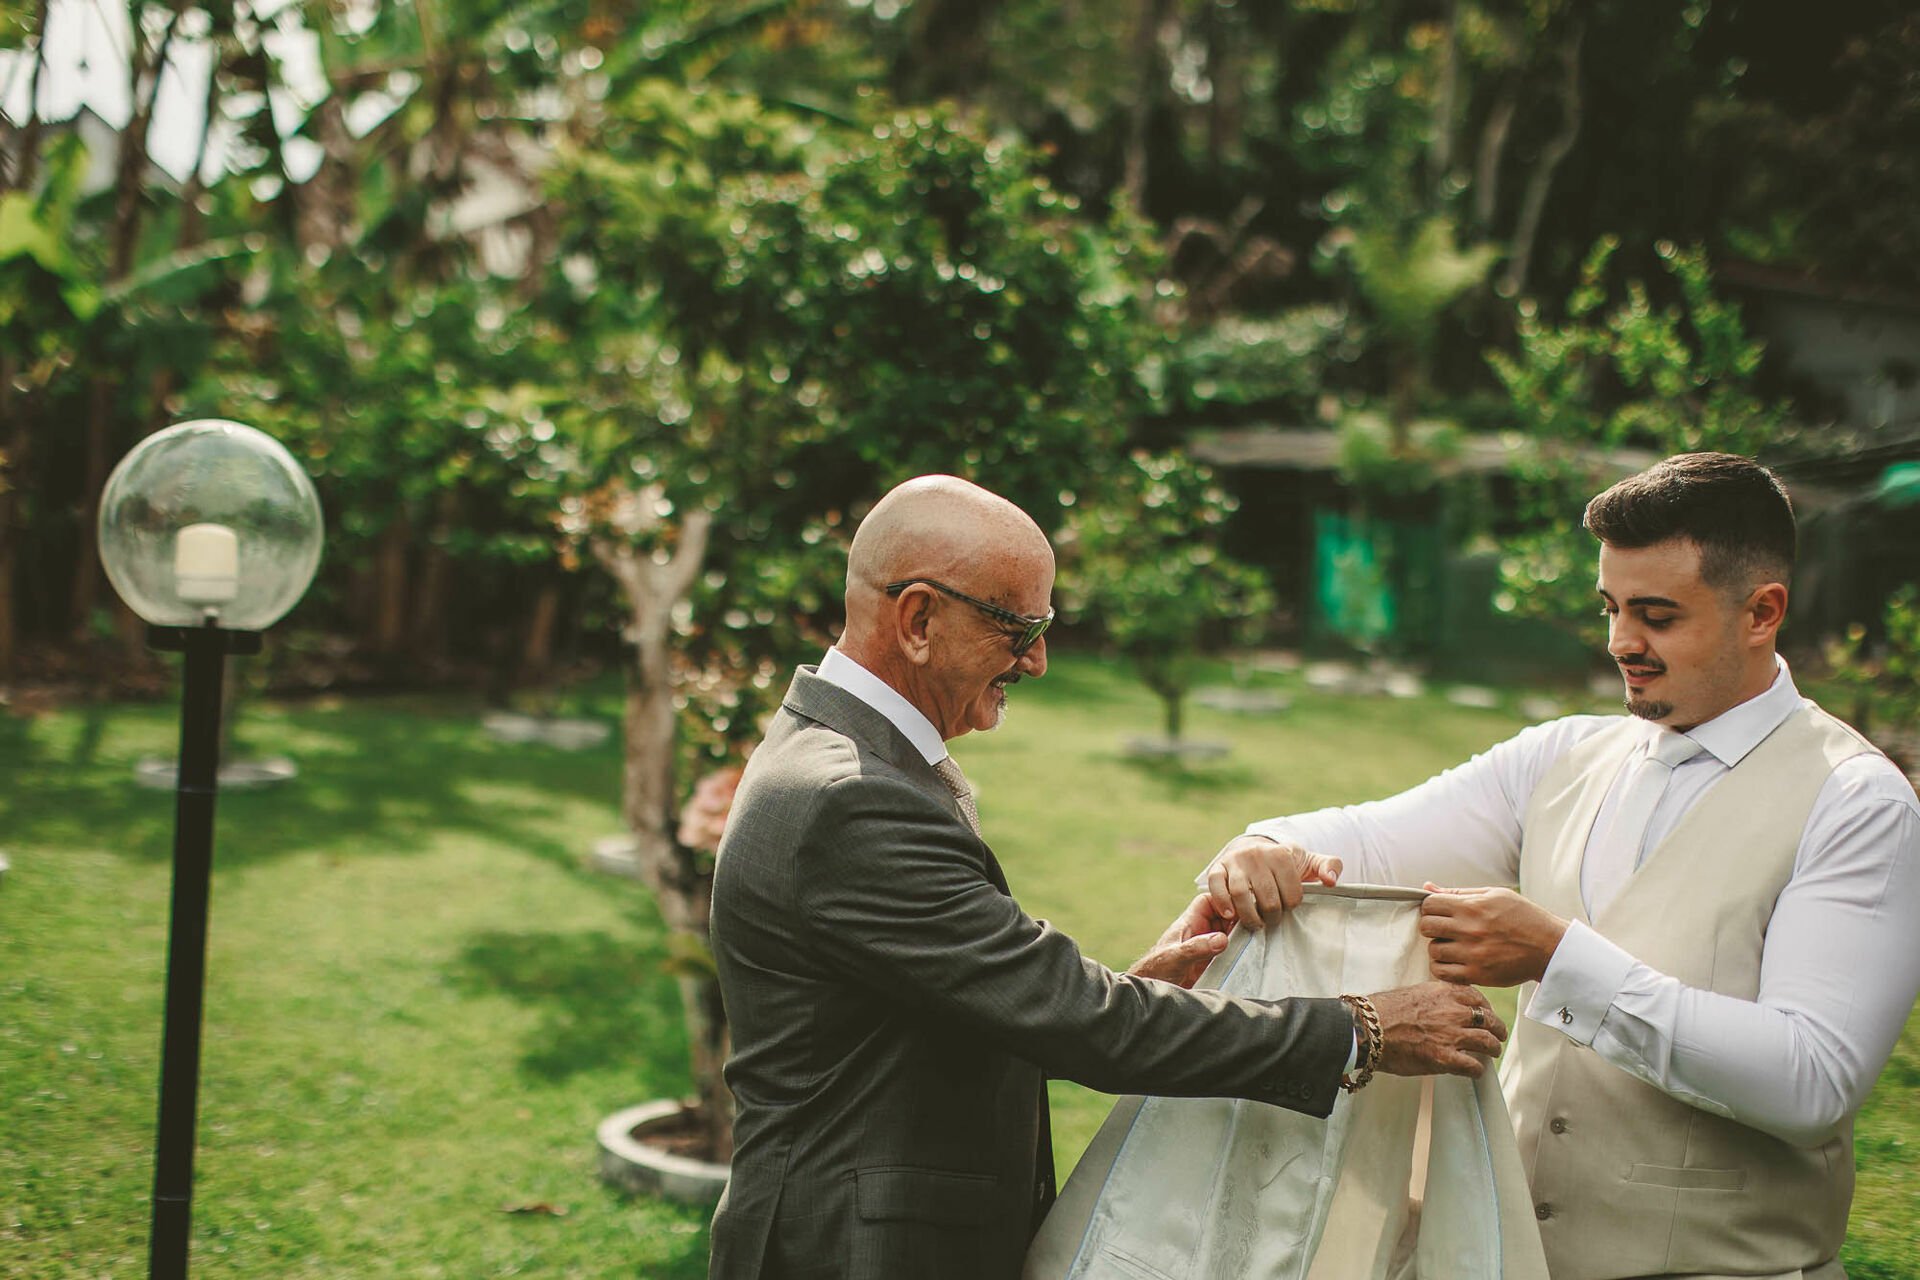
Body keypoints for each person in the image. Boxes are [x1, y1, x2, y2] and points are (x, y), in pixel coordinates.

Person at [708, 475, 1507, 1280]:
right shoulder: (853, 798)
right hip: (850, 1250)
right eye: (1018, 627)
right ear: (918, 618)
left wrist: (1136, 984)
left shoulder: (843, 761)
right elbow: (1083, 1022)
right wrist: (1362, 1030)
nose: (1040, 659)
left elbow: (924, 1014)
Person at [1206, 453, 1920, 1280]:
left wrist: (1556, 958)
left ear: (1761, 612)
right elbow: (1366, 837)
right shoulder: (1564, 753)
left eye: (1657, 615)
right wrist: (1265, 844)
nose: (1622, 642)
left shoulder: (1857, 802)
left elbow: (1812, 1081)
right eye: (1612, 607)